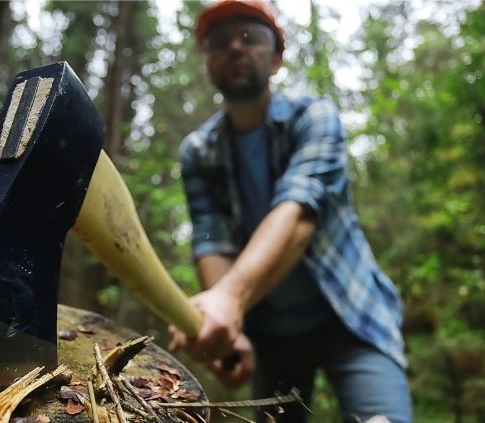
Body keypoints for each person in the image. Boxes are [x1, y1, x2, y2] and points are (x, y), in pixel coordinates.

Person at [167, 1, 412, 422]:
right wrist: (231, 326)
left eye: (250, 38)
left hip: (350, 315)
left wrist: (229, 299)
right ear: (208, 64)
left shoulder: (314, 117)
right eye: (220, 43)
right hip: (272, 334)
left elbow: (300, 211)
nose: (235, 49)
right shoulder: (197, 152)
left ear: (277, 58)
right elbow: (212, 238)